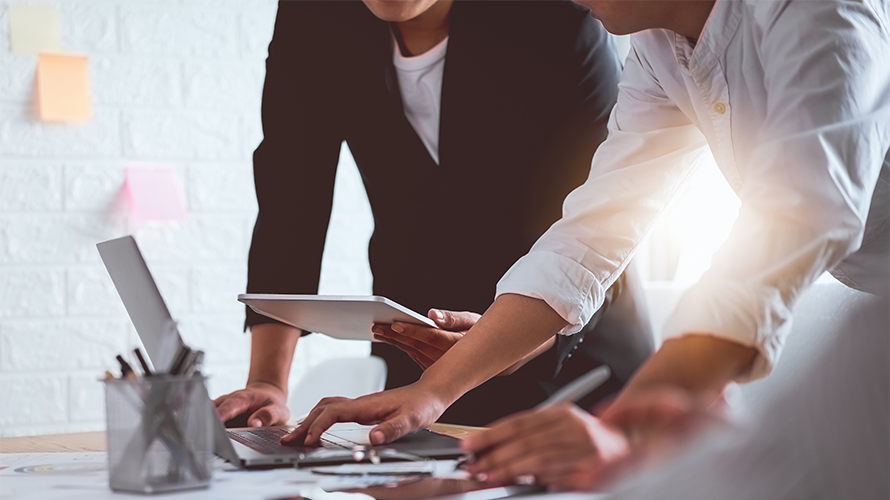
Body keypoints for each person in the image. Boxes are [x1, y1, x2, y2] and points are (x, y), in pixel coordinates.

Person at [290, 0, 890, 486]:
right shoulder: (657, 50)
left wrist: (638, 416)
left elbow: (802, 211)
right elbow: (593, 234)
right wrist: (429, 394)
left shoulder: (820, 9)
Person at [213, 0, 656, 429]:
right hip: (419, 353)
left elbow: (601, 223)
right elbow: (291, 197)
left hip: (571, 355)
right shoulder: (313, 16)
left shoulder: (560, 18)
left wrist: (500, 347)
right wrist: (268, 382)